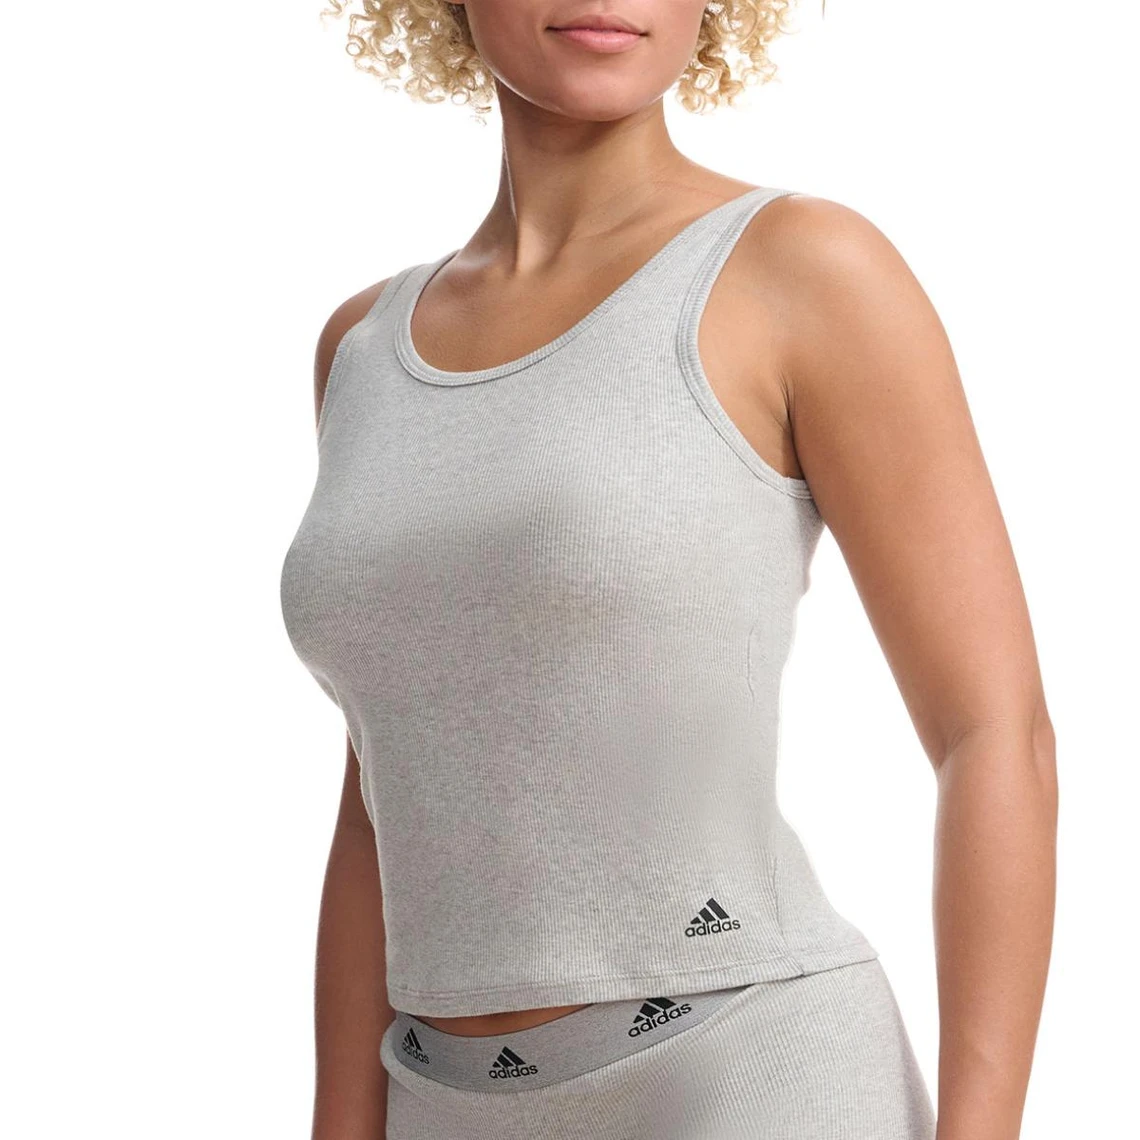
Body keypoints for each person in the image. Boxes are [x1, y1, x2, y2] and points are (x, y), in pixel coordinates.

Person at [280, 3, 1058, 1138]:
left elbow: (996, 734)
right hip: (438, 1095)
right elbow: (382, 792)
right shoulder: (361, 348)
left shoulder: (803, 269)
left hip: (751, 1080)